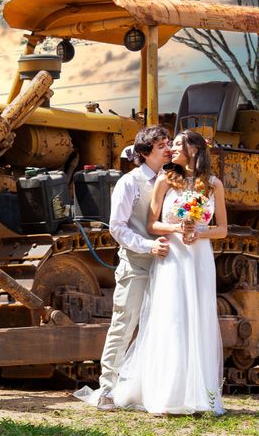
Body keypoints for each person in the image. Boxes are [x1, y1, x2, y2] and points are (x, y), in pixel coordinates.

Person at [112, 129, 228, 415]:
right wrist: (178, 228)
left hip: (199, 257)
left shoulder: (214, 185)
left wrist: (198, 233)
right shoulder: (166, 179)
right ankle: (166, 394)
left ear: (195, 150)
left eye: (177, 144)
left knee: (198, 318)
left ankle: (200, 395)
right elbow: (152, 224)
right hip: (174, 256)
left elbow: (223, 230)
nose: (171, 148)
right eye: (168, 144)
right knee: (172, 318)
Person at [75, 125, 172, 411]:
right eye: (161, 145)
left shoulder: (172, 180)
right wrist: (147, 246)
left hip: (168, 267)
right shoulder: (129, 183)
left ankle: (153, 388)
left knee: (161, 328)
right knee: (124, 323)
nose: (168, 149)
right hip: (137, 264)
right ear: (144, 152)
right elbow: (117, 228)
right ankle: (107, 389)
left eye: (168, 143)